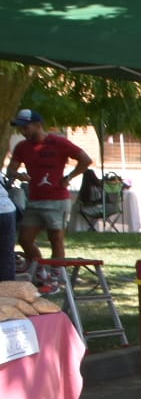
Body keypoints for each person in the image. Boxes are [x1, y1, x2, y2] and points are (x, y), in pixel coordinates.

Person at [7, 109, 92, 288]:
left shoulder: (58, 142)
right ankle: (40, 269)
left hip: (57, 200)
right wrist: (18, 175)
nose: (23, 132)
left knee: (56, 238)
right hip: (35, 200)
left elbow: (85, 159)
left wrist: (69, 177)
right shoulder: (22, 147)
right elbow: (10, 170)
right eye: (20, 128)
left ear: (38, 125)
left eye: (26, 127)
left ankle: (57, 276)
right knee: (25, 239)